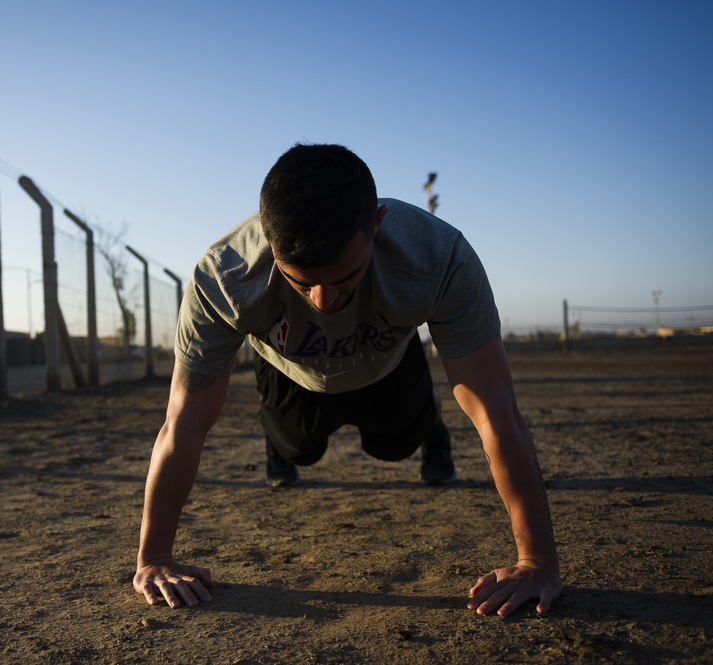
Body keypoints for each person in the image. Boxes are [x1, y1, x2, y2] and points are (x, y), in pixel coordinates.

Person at [133, 143, 561, 617]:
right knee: (298, 450)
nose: (323, 301)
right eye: (301, 282)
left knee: (397, 444)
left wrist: (537, 561)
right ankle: (281, 437)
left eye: (344, 278)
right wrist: (153, 558)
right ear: (269, 241)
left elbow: (498, 413)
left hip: (388, 364)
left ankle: (429, 425)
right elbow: (182, 422)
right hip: (291, 370)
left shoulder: (438, 257)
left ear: (376, 226)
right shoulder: (225, 276)